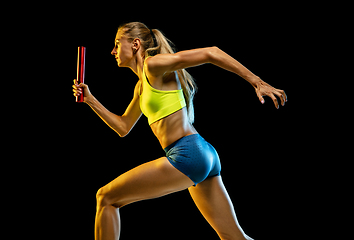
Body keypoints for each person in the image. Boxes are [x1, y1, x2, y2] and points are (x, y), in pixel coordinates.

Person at [72, 22, 287, 240]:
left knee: (106, 197)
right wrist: (90, 100)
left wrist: (256, 82)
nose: (113, 51)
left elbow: (211, 53)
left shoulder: (152, 65)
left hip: (187, 154)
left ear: (135, 44)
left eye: (117, 44)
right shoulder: (141, 86)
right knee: (233, 236)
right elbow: (123, 127)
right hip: (203, 153)